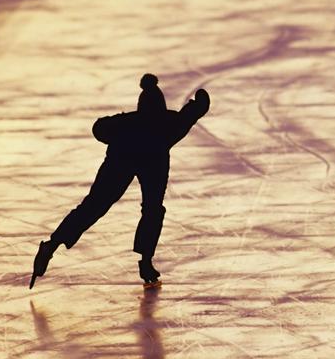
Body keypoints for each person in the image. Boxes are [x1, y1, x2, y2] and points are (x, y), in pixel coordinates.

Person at [30, 74, 210, 289]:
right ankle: (145, 262)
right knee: (152, 210)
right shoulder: (169, 124)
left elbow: (99, 128)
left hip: (121, 159)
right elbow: (193, 112)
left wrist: (118, 128)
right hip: (153, 162)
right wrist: (199, 103)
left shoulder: (128, 123)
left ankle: (51, 245)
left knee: (94, 206)